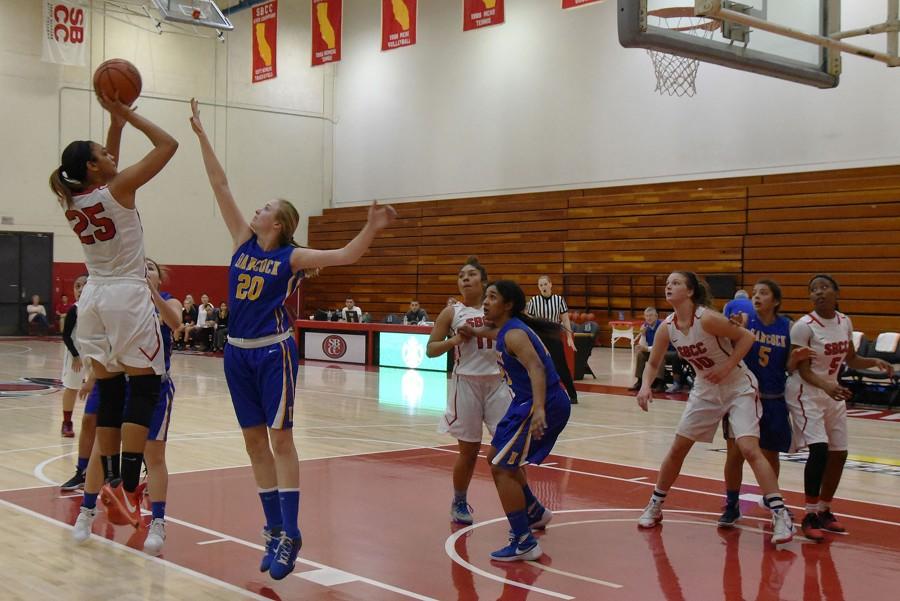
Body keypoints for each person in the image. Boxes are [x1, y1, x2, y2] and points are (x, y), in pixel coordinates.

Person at [190, 98, 396, 579]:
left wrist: (370, 227)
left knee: (280, 440)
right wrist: (202, 136)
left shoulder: (293, 257)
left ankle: (292, 532)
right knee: (253, 444)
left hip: (273, 353)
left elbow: (345, 255)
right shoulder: (242, 241)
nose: (255, 208)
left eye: (264, 207)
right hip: (236, 355)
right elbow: (219, 184)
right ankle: (272, 531)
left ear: (278, 222)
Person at [51, 91, 178, 544]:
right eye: (104, 155)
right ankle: (125, 485)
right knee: (144, 385)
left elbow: (109, 165)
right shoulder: (119, 190)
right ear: (93, 168)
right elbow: (168, 145)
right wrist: (128, 114)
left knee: (108, 388)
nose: (111, 157)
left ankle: (105, 483)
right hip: (127, 294)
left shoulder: (75, 199)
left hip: (93, 301)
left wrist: (114, 129)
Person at [635, 271, 794, 544]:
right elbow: (652, 362)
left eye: (675, 283)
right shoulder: (667, 326)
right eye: (667, 284)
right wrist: (645, 386)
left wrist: (727, 366)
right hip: (706, 391)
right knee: (677, 448)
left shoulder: (706, 318)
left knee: (748, 448)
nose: (668, 287)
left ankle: (780, 514)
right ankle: (655, 504)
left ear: (690, 291)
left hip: (738, 387)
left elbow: (746, 338)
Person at [70, 258, 182, 555]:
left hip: (154, 387)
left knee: (154, 454)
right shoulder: (119, 305)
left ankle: (158, 520)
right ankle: (87, 510)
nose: (145, 270)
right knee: (101, 449)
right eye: (141, 267)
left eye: (152, 268)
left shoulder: (170, 301)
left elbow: (177, 323)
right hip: (119, 382)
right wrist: (93, 378)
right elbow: (105, 346)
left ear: (161, 276)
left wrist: (151, 295)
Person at [785, 274, 893, 541]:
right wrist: (827, 387)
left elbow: (852, 359)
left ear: (836, 292)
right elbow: (803, 370)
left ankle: (824, 509)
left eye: (824, 288)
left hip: (831, 391)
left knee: (839, 453)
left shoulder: (844, 321)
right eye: (813, 290)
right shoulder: (804, 326)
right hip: (806, 392)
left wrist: (875, 362)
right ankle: (809, 513)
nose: (819, 293)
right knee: (819, 451)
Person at [473, 280, 571, 561]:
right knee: (496, 457)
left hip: (541, 403)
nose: (486, 301)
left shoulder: (515, 334)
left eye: (492, 297)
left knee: (502, 468)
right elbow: (490, 332)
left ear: (508, 305)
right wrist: (471, 330)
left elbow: (536, 368)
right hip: (527, 403)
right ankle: (534, 512)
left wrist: (539, 408)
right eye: (486, 296)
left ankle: (524, 542)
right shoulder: (509, 329)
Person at [719, 279, 812, 527]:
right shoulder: (744, 322)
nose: (756, 297)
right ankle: (731, 504)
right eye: (754, 293)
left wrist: (796, 359)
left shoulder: (787, 327)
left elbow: (788, 367)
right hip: (743, 398)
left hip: (773, 398)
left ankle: (772, 502)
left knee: (770, 456)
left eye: (763, 293)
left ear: (776, 301)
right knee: (735, 454)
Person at [427, 257, 512, 526]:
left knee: (508, 448)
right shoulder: (451, 313)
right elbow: (431, 350)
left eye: (471, 274)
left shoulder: (496, 310)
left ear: (483, 281)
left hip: (497, 382)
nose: (465, 278)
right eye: (461, 275)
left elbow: (513, 333)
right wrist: (455, 339)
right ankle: (459, 500)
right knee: (469, 450)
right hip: (466, 383)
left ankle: (523, 502)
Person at [525, 275, 578, 404]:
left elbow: (565, 319)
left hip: (554, 336)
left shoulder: (559, 300)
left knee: (561, 366)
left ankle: (573, 395)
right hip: (539, 337)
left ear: (550, 284)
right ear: (538, 287)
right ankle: (536, 395)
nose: (543, 287)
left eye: (545, 284)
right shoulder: (534, 301)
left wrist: (569, 337)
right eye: (540, 285)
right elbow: (530, 322)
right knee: (537, 366)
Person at [59, 276, 89, 438]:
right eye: (77, 286)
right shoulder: (74, 309)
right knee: (72, 387)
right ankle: (67, 422)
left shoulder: (97, 308)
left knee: (97, 387)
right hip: (75, 354)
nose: (80, 289)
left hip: (94, 354)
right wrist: (76, 355)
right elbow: (65, 336)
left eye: (84, 285)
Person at [630, 307, 665, 392]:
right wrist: (643, 334)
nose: (648, 318)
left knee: (659, 355)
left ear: (656, 316)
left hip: (666, 350)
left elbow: (660, 346)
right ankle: (639, 381)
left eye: (650, 315)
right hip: (652, 350)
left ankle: (660, 383)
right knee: (640, 354)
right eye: (646, 316)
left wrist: (646, 348)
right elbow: (642, 346)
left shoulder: (662, 326)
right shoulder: (645, 326)